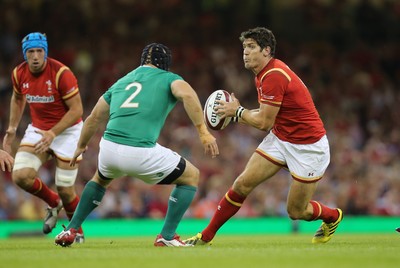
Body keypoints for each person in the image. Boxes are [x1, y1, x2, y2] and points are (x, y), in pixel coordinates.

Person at [184, 27, 343, 246]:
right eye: (244, 48)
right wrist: (237, 114)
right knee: (242, 184)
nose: (245, 53)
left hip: (309, 147)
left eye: (251, 47)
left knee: (296, 211)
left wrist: (237, 113)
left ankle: (332, 217)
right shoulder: (263, 74)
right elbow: (266, 117)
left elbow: (264, 122)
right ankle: (206, 236)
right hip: (281, 138)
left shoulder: (274, 75)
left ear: (266, 50)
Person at [54, 43, 219, 247]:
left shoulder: (121, 82)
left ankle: (71, 229)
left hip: (109, 149)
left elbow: (94, 117)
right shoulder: (168, 78)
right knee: (191, 176)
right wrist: (203, 132)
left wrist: (80, 146)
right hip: (139, 152)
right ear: (165, 63)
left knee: (99, 179)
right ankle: (166, 236)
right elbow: (187, 94)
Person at [2, 32, 85, 242]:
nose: (36, 56)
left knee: (66, 190)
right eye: (31, 52)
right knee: (20, 176)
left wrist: (54, 132)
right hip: (39, 129)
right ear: (25, 54)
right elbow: (18, 98)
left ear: (45, 52)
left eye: (40, 51)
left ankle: (76, 230)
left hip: (68, 132)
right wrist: (11, 128)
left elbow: (77, 110)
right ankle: (53, 202)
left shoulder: (61, 73)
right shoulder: (19, 73)